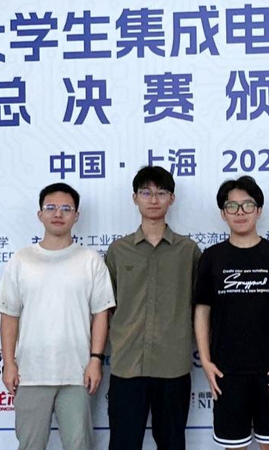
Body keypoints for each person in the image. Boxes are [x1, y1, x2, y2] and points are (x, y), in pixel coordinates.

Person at [0, 182, 115, 450]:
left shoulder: (90, 260)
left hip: (77, 374)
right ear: (40, 214)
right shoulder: (21, 260)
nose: (58, 214)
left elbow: (101, 314)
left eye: (66, 208)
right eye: (50, 207)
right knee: (30, 445)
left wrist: (95, 360)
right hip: (30, 374)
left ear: (76, 216)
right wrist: (9, 363)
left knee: (79, 445)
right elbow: (9, 315)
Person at [194, 176, 269, 449]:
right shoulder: (211, 258)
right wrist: (205, 361)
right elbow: (202, 311)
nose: (240, 212)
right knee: (234, 445)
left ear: (259, 210)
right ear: (223, 213)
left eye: (248, 205)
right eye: (232, 206)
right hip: (226, 373)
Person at [105, 166, 201, 450]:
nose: (154, 199)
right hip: (126, 365)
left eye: (161, 192)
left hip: (173, 366)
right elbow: (106, 307)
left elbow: (200, 308)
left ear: (172, 198)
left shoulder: (188, 251)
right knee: (123, 443)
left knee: (172, 443)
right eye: (146, 192)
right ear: (134, 198)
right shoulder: (118, 251)